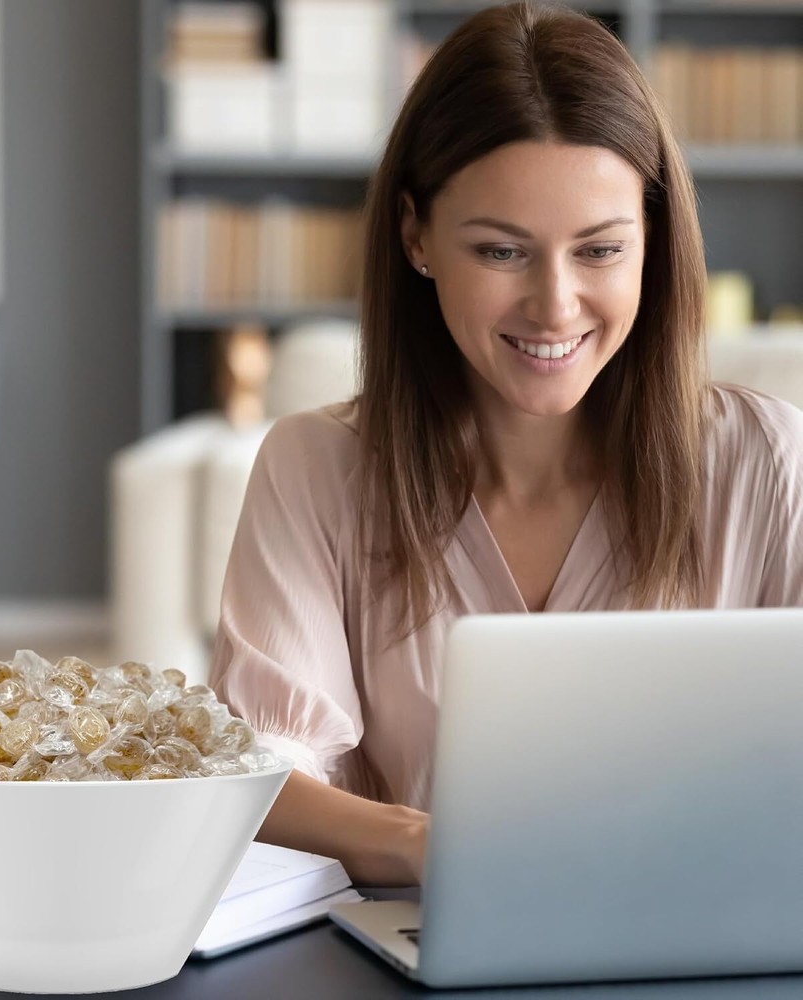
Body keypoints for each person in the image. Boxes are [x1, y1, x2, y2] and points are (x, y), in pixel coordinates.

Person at [208, 1, 803, 887]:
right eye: (501, 253)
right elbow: (259, 774)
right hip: (408, 945)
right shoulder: (315, 467)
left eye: (599, 252)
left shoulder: (766, 459)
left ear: (654, 243)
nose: (555, 307)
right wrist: (430, 846)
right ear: (416, 237)